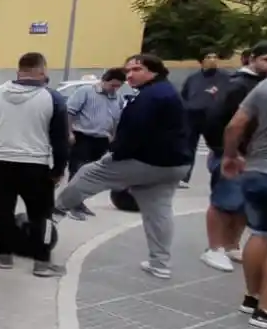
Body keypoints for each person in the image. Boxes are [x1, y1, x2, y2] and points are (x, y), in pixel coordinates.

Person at [57, 54, 192, 279]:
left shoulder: (150, 96)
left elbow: (134, 131)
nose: (130, 74)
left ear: (154, 71)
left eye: (137, 69)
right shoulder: (166, 92)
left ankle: (56, 209)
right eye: (128, 70)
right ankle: (159, 263)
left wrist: (116, 154)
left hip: (146, 160)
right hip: (174, 164)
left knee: (88, 173)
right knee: (158, 211)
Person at [0, 52, 70, 277]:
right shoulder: (53, 98)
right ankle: (42, 262)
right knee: (41, 215)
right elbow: (60, 139)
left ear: (19, 71)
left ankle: (4, 256)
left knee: (3, 212)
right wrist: (58, 170)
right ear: (42, 71)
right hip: (36, 166)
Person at [201, 44, 267, 272]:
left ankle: (232, 245)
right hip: (234, 155)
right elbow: (217, 121)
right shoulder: (237, 85)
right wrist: (227, 152)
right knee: (223, 202)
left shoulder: (262, 84)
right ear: (251, 59)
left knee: (243, 205)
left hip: (253, 158)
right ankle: (214, 248)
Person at [223, 69, 267, 327]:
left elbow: (234, 125)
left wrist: (230, 155)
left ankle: (252, 298)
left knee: (260, 233)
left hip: (257, 170)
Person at [63, 67, 126, 217]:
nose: (115, 89)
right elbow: (69, 112)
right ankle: (71, 205)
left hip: (102, 140)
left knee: (91, 173)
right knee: (78, 171)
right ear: (103, 81)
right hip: (83, 137)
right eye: (112, 85)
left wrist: (114, 136)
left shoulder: (117, 97)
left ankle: (80, 202)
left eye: (118, 86)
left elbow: (117, 119)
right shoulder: (85, 92)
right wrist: (69, 132)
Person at [180, 51, 228, 187]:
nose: (212, 60)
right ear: (202, 61)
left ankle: (222, 175)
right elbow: (184, 96)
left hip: (214, 118)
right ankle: (184, 177)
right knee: (188, 147)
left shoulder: (225, 78)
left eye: (215, 57)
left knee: (219, 148)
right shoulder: (193, 78)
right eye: (208, 57)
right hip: (193, 116)